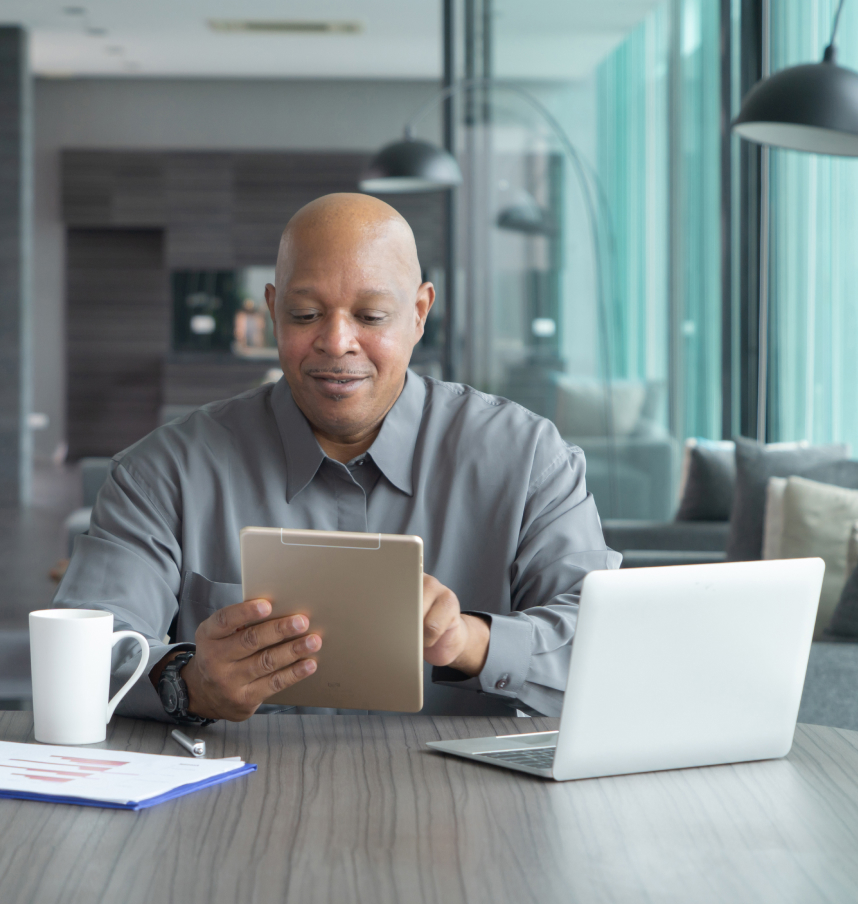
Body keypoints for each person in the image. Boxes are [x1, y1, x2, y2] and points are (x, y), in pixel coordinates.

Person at [54, 193, 620, 723]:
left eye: (371, 317)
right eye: (305, 315)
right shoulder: (160, 473)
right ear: (273, 311)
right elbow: (81, 651)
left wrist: (470, 641)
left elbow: (607, 647)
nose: (336, 342)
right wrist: (188, 681)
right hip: (225, 808)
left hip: (465, 808)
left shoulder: (529, 459)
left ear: (419, 313)